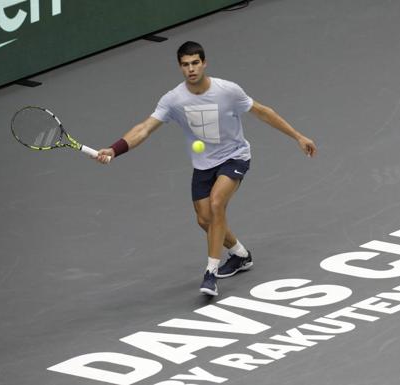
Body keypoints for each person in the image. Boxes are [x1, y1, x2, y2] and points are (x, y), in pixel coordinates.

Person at [95, 41, 317, 296]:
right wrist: (115, 149)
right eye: (185, 65)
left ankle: (210, 273)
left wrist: (298, 136)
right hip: (203, 165)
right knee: (205, 220)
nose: (191, 69)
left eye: (195, 63)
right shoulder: (173, 99)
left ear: (204, 63)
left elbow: (264, 113)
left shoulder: (227, 91)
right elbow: (144, 128)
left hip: (235, 156)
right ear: (180, 67)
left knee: (216, 204)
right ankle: (240, 254)